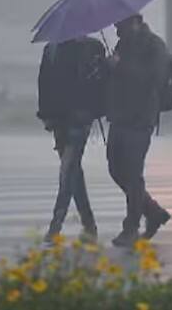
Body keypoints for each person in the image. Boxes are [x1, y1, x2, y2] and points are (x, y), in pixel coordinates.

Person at [106, 14, 172, 247]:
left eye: (119, 24)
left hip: (140, 119)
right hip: (119, 116)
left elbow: (153, 78)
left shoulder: (154, 45)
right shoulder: (123, 44)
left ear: (134, 21)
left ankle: (131, 228)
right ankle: (152, 211)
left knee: (133, 174)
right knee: (116, 170)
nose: (116, 28)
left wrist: (120, 66)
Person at [37, 36, 106, 243]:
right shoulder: (53, 49)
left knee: (68, 169)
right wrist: (46, 115)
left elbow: (100, 83)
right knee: (73, 171)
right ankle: (88, 224)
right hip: (59, 119)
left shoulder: (93, 48)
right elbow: (44, 83)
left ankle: (56, 225)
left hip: (80, 118)